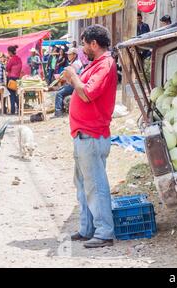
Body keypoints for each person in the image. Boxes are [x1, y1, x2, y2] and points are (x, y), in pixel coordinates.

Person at [62, 24, 117, 248]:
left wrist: (74, 76)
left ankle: (104, 232)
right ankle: (87, 229)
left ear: (94, 44)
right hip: (83, 135)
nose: (83, 48)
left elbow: (86, 94)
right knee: (83, 185)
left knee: (95, 185)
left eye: (85, 43)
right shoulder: (94, 65)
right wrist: (74, 79)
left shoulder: (105, 64)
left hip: (92, 135)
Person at [53, 48, 83, 117]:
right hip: (73, 83)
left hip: (75, 85)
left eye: (70, 54)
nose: (68, 56)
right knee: (60, 89)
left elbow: (70, 76)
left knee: (59, 93)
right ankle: (62, 110)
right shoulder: (74, 63)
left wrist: (61, 77)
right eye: (68, 54)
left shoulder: (76, 64)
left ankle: (58, 113)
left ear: (74, 55)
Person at [5, 45, 22, 115]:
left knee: (11, 94)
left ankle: (12, 110)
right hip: (17, 78)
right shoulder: (19, 59)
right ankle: (20, 108)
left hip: (11, 78)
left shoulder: (11, 59)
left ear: (10, 52)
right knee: (14, 94)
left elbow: (7, 68)